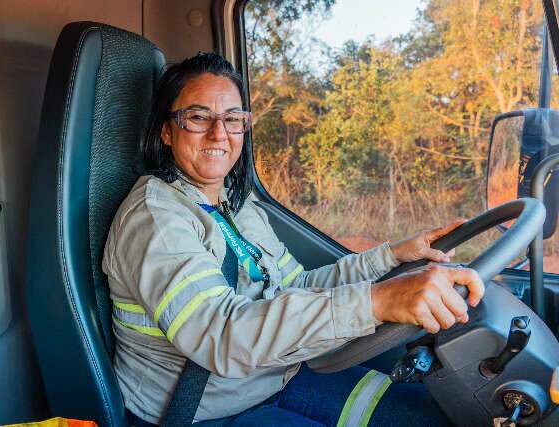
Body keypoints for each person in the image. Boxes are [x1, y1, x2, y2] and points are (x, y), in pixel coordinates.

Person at [102, 52, 484, 426]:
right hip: (208, 409)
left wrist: (393, 257)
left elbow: (295, 285)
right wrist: (379, 301)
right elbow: (222, 336)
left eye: (233, 119)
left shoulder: (236, 204)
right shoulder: (155, 218)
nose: (220, 132)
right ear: (167, 131)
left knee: (430, 416)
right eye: (199, 117)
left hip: (277, 373)